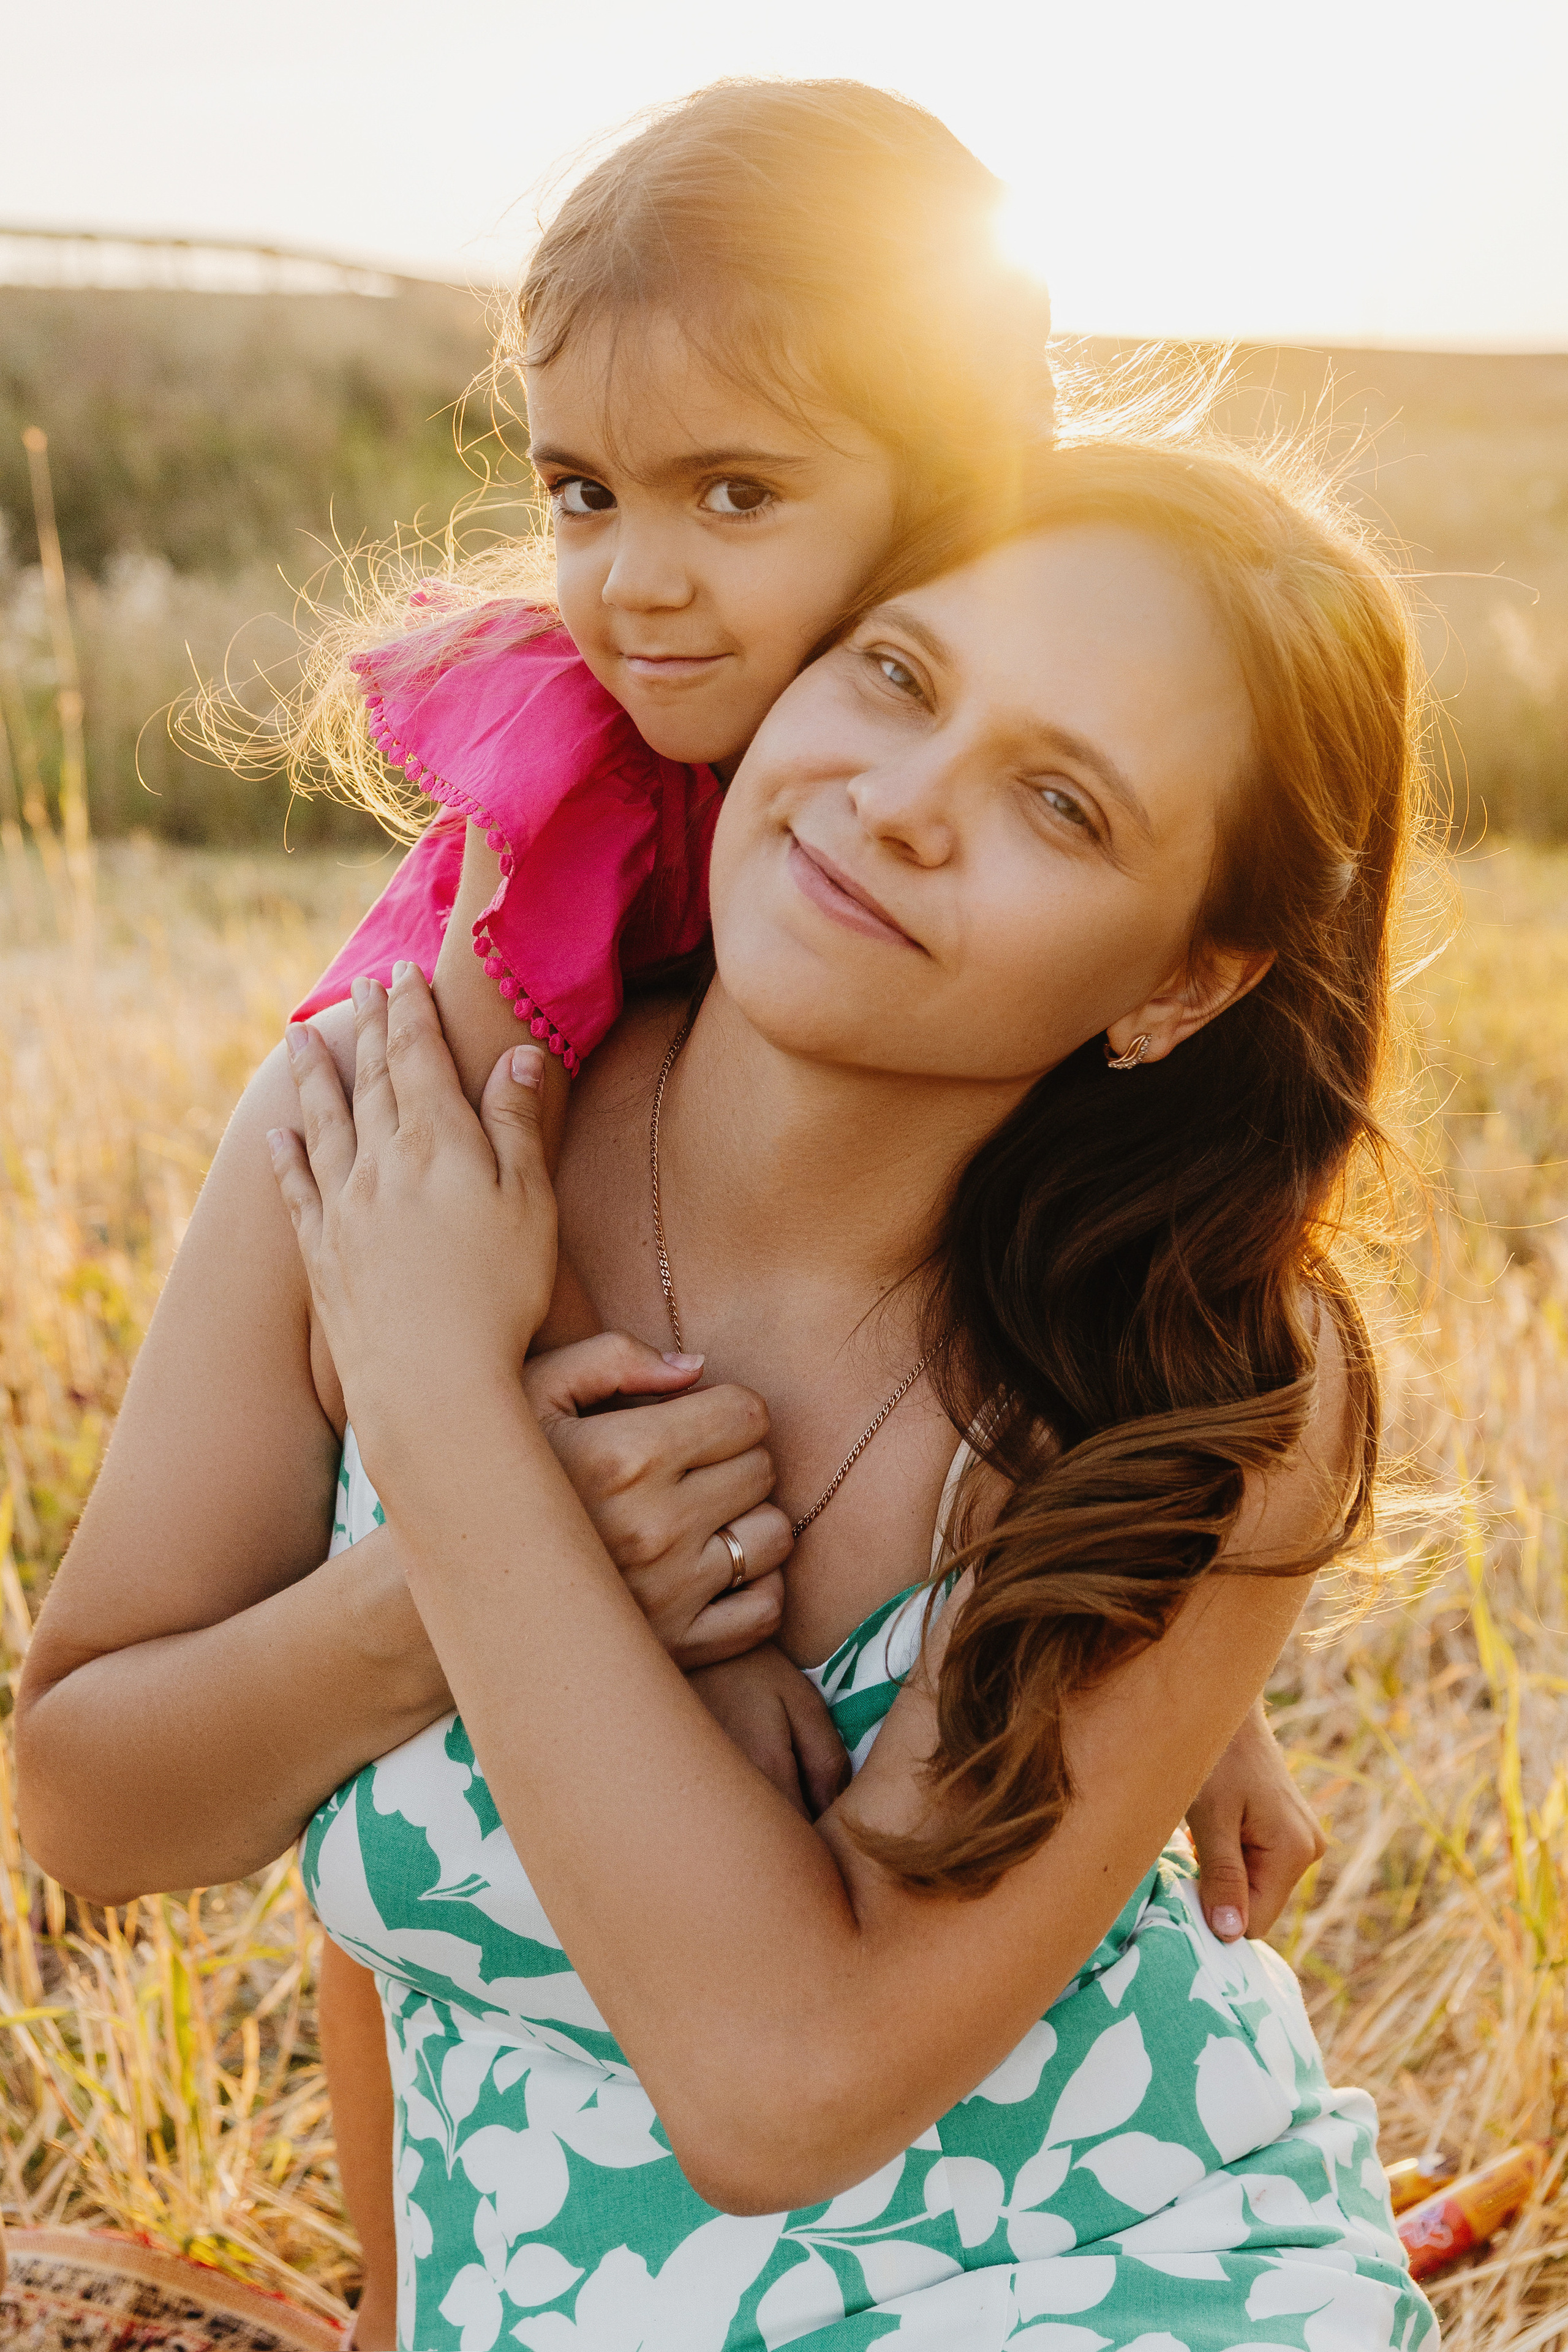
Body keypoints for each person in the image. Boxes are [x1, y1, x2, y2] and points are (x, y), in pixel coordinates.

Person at [18, 77, 1319, 2348]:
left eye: (1056, 798)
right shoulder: (430, 1105)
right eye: (584, 492)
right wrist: (454, 1519)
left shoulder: (1179, 1354)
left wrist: (1177, 1647)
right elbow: (110, 1808)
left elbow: (779, 2085)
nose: (640, 579)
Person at [255, 432, 1439, 2350]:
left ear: (1183, 986)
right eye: (897, 671)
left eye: (1061, 802)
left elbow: (779, 2089)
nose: (901, 804)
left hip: (1103, 2287)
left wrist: (439, 1403)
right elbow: (191, 1831)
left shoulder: (1208, 1390)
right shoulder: (426, 1145)